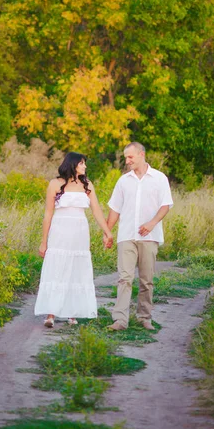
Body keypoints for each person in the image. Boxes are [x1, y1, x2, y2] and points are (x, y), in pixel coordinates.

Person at [35, 152, 113, 328]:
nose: (84, 166)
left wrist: (107, 232)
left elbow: (97, 211)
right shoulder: (55, 184)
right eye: (82, 163)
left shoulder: (87, 185)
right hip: (60, 230)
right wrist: (44, 241)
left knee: (75, 268)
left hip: (79, 231)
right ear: (72, 164)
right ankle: (51, 314)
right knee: (57, 268)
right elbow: (47, 214)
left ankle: (72, 313)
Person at [105, 142, 173, 331]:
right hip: (126, 235)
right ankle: (120, 320)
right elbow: (115, 209)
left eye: (130, 157)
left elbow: (165, 205)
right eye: (126, 157)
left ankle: (144, 317)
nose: (127, 161)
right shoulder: (123, 181)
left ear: (141, 155)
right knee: (125, 278)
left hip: (150, 237)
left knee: (146, 279)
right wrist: (108, 232)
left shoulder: (159, 178)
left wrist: (152, 223)